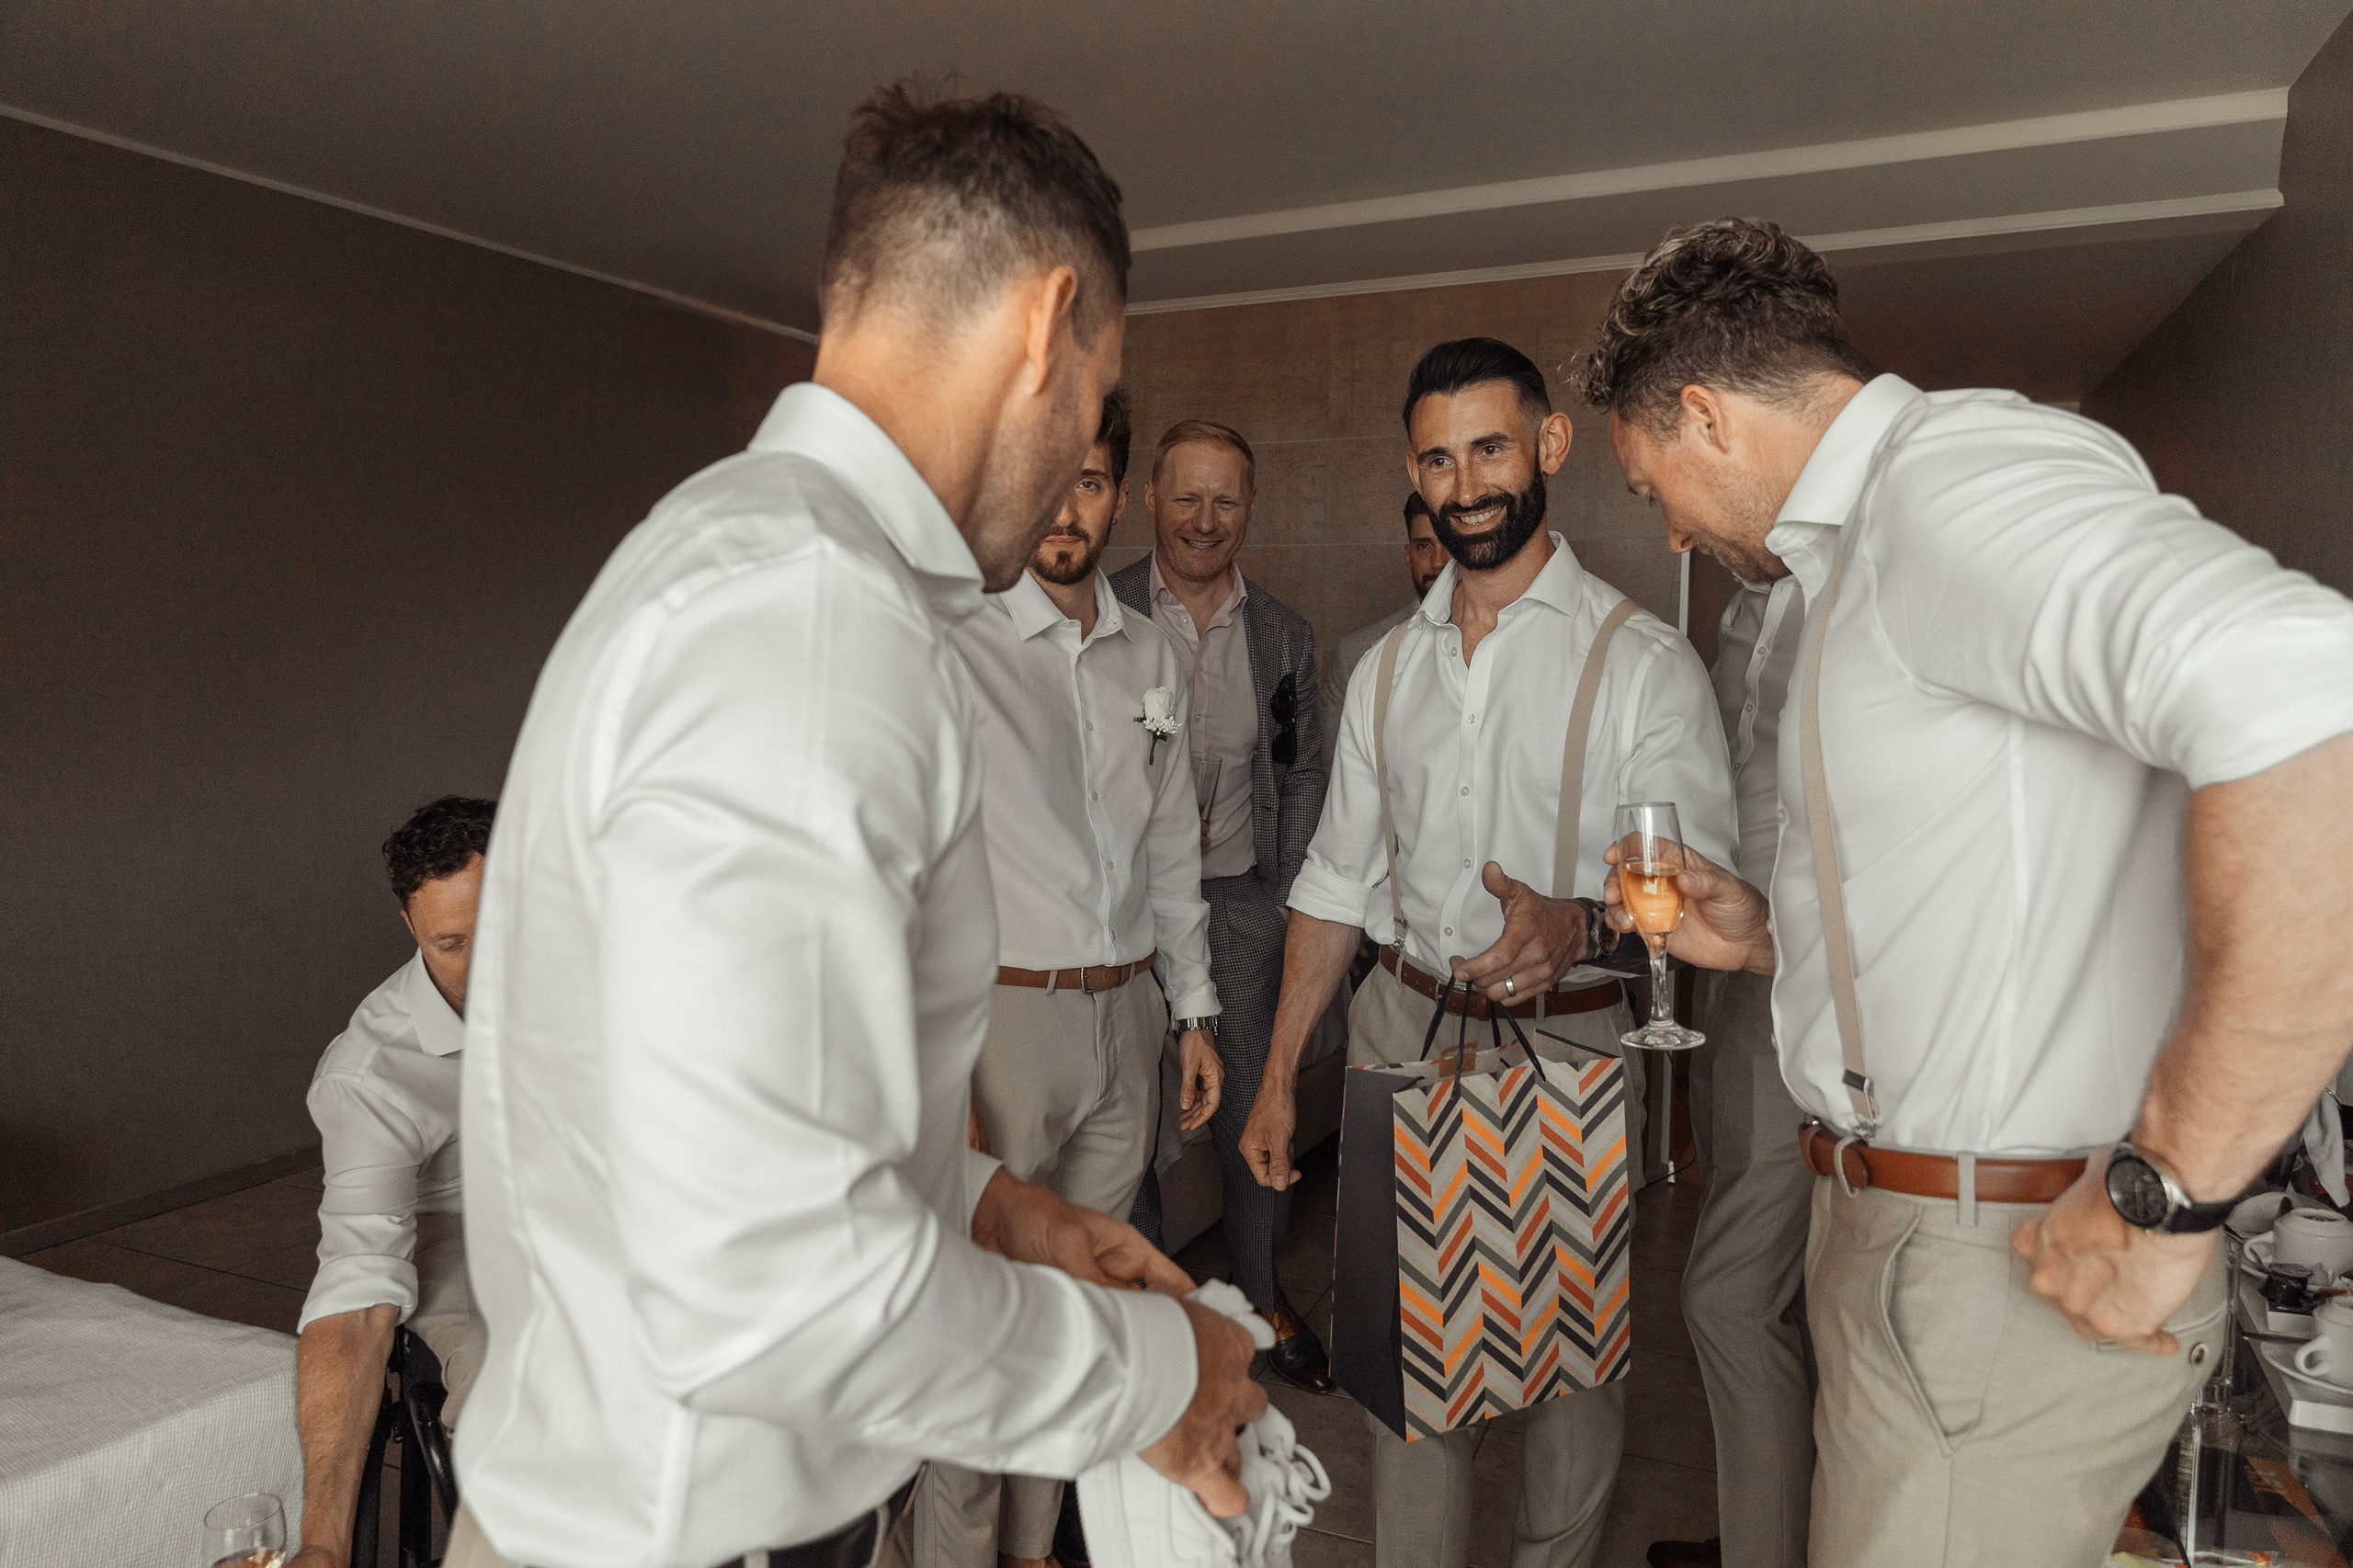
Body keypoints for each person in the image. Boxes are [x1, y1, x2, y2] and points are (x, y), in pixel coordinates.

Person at [446, 85, 1264, 1568]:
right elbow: (777, 1281)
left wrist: (990, 1201)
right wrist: (1154, 1374)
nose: (1090, 439)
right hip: (673, 1532)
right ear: (1047, 324)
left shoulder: (739, 551)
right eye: (1099, 391)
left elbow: (712, 1094)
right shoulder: (813, 622)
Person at [1582, 216, 2353, 1566]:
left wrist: (2169, 1188)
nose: (1672, 532)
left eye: (1653, 487)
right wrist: (1767, 939)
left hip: (1998, 1260)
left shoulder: (1952, 486)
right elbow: (1984, 876)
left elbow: (2314, 713)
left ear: (1705, 414)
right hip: (1912, 1242)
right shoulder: (1855, 559)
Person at [1240, 336, 1737, 1568]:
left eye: (1492, 449)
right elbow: (1338, 881)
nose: (1466, 486)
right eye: (1439, 458)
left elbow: (1700, 884)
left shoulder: (1641, 663)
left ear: (1549, 446)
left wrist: (1581, 913)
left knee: (1567, 1378)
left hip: (1567, 1034)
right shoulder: (1387, 671)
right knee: (1404, 1379)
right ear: (1412, 470)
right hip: (1403, 1027)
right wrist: (1278, 1067)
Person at [916, 388, 1227, 1568]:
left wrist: (1191, 1011)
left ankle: (1034, 1551)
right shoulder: (951, 638)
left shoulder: (1148, 647)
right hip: (998, 1023)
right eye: (1043, 480)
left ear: (1117, 493)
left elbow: (1171, 845)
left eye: (1089, 480)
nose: (1066, 506)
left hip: (1125, 1018)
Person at [1109, 419, 1333, 1392]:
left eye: (1226, 499)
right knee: (1126, 1115)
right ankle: (1154, 1304)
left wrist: (1285, 899)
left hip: (1241, 904)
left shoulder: (1282, 635)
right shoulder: (1099, 610)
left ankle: (1255, 1289)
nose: (1205, 519)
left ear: (1251, 507)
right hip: (1120, 915)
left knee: (1254, 1111)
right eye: (1186, 497)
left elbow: (1305, 769)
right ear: (1147, 500)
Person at [1645, 569, 1813, 1568]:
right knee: (1754, 1266)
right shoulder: (1741, 612)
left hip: (1806, 975)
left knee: (1729, 1292)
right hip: (1730, 960)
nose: (1672, 530)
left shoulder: (1857, 588)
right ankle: (1762, 1520)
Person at [287, 796, 494, 1568]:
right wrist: (322, 1545)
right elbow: (357, 1294)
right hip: (468, 1230)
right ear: (412, 930)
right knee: (534, 1386)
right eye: (452, 943)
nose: (488, 967)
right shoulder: (370, 1075)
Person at [1318, 492, 1447, 772]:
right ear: (1408, 556)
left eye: (1450, 544)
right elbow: (1334, 774)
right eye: (1424, 546)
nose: (1439, 562)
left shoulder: (1511, 644)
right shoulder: (1356, 655)